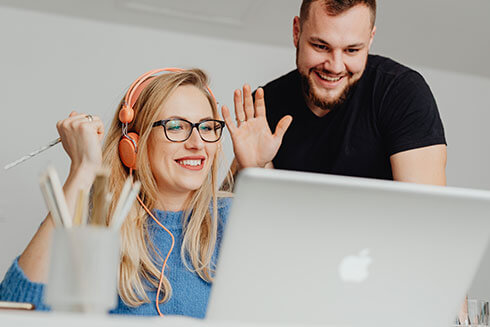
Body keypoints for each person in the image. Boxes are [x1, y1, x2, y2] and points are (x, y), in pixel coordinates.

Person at [0, 68, 268, 317]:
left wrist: (254, 171)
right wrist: (83, 169)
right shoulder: (96, 223)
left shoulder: (231, 219)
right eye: (176, 126)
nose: (197, 143)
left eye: (207, 127)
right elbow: (19, 312)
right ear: (133, 144)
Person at [225, 0, 447, 186]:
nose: (335, 66)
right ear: (296, 32)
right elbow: (231, 226)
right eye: (321, 46)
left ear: (370, 39)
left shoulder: (402, 93)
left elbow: (425, 221)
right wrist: (251, 170)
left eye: (352, 50)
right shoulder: (264, 107)